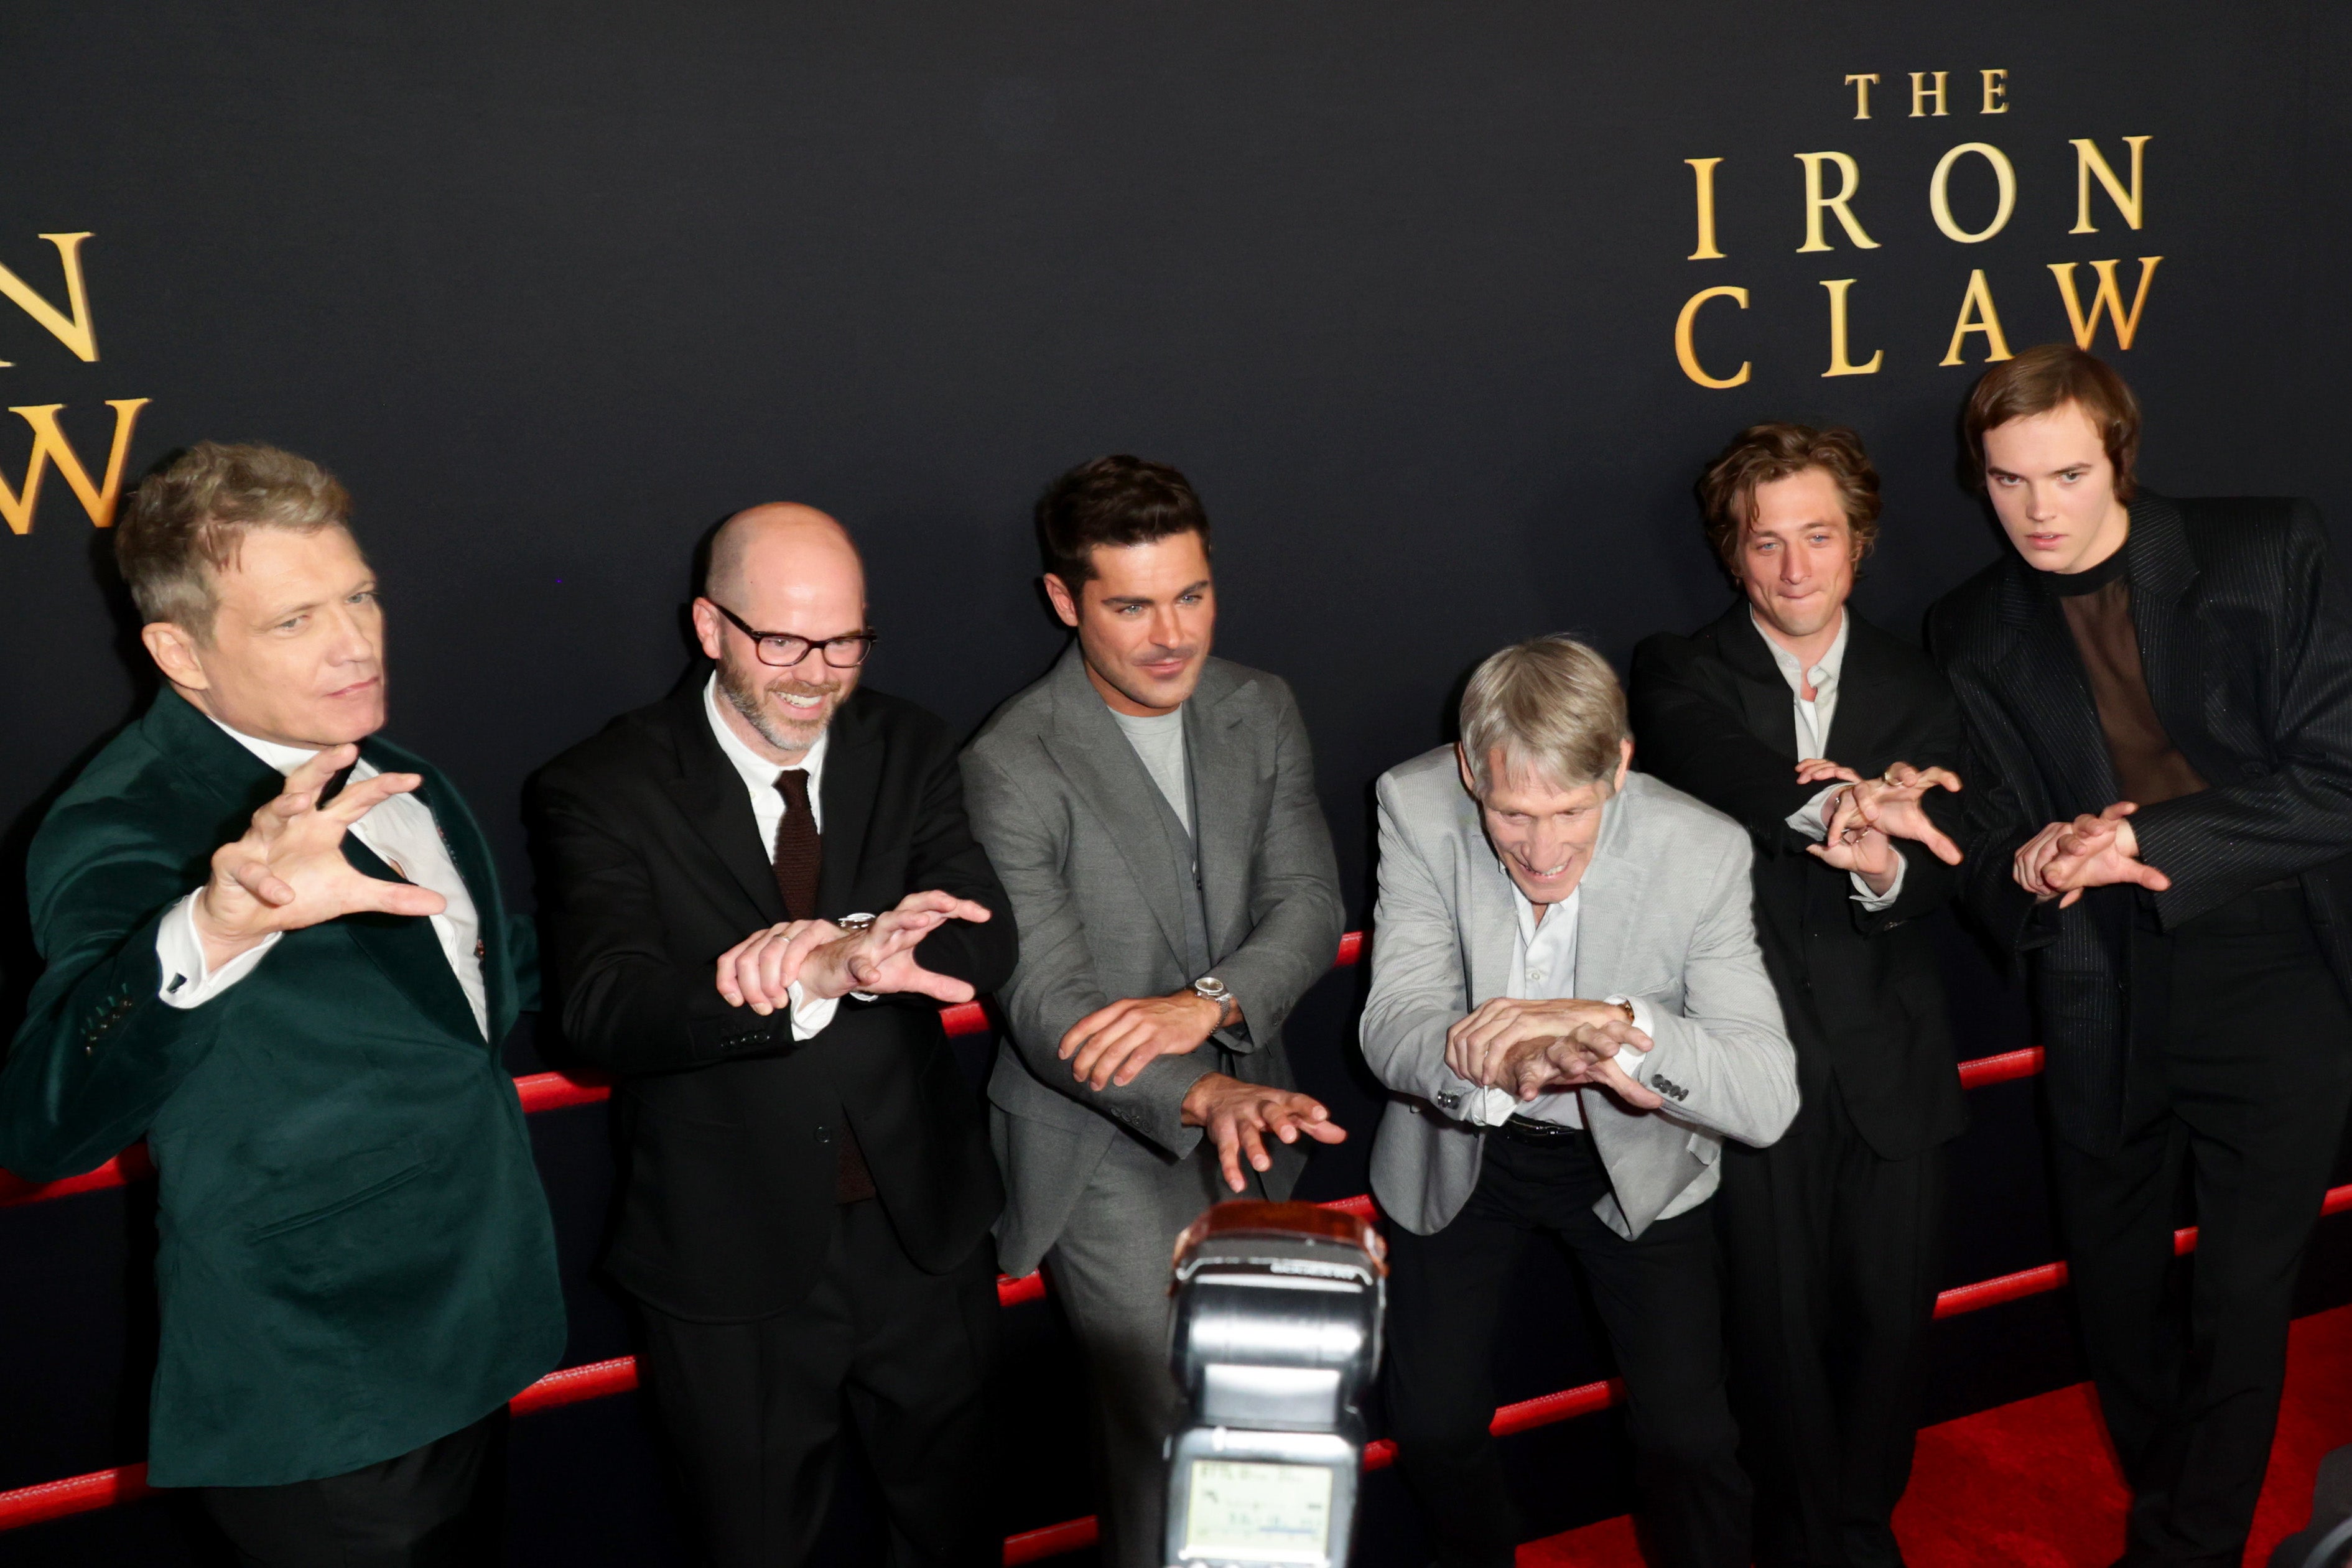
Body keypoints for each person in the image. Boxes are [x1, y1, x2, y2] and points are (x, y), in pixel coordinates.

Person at [0, 443, 565, 1564]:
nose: (355, 641)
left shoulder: (397, 767)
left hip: (477, 1325)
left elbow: (482, 992)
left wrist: (755, 966)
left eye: (357, 595)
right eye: (294, 620)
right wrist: (219, 924)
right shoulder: (123, 823)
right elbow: (46, 1119)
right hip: (323, 1391)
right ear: (179, 651)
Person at [1928, 344, 2352, 1567]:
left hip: (2277, 964)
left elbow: (2337, 779)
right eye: (2006, 482)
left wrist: (2139, 834)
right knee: (2115, 1302)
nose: (2038, 511)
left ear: (2118, 455)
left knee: (2238, 1297)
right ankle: (2178, 1507)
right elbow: (1988, 842)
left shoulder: (2265, 550)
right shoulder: (1967, 628)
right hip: (2105, 973)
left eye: (2064, 474)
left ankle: (2184, 1547)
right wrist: (2027, 861)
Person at [529, 505, 1016, 1567]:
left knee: (957, 1533)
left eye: (843, 641)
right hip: (726, 1261)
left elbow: (984, 939)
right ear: (709, 627)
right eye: (781, 641)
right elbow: (602, 1009)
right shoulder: (600, 786)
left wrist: (862, 948)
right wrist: (796, 978)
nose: (816, 673)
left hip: (922, 1238)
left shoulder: (911, 743)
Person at [960, 455, 1347, 1568]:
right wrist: (1204, 1082)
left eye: (1191, 595)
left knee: (1275, 1431)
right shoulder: (1012, 759)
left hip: (1251, 1123)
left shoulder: (1257, 705)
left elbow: (1309, 902)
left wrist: (1208, 1006)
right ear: (1063, 601)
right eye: (1129, 605)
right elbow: (1046, 1003)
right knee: (1172, 1435)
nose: (1169, 634)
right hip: (1094, 1144)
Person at [1362, 634, 1798, 1568]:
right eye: (1512, 813)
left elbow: (1765, 1099)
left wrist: (1618, 1023)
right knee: (1430, 1423)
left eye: (1570, 809)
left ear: (1620, 766)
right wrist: (1486, 1063)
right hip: (1463, 1142)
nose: (1543, 847)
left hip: (1636, 1161)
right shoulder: (1414, 803)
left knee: (1688, 1440)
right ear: (1470, 770)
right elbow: (1390, 1019)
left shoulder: (1703, 848)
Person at [1629, 423, 1969, 1568]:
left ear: (1859, 544)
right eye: (1763, 542)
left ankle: (1861, 1538)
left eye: (1816, 537)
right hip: (1751, 1064)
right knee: (1768, 1338)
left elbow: (1942, 871)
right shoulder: (1680, 671)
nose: (1792, 568)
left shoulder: (1921, 680)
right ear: (1731, 554)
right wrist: (1829, 811)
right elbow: (1711, 758)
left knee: (1887, 1336)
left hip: (1895, 1068)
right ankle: (1797, 1544)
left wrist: (1884, 865)